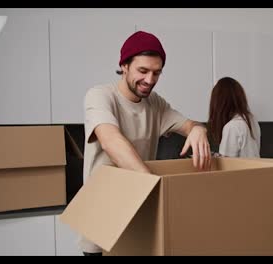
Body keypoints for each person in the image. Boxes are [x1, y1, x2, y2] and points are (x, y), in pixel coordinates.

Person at [80, 30, 211, 256]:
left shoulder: (155, 104)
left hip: (138, 217)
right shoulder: (100, 96)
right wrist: (155, 186)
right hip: (101, 221)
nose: (150, 80)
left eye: (156, 73)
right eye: (143, 70)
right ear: (124, 65)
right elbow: (111, 140)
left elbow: (188, 124)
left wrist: (199, 129)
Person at [207, 77, 261, 158]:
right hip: (257, 169)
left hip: (242, 171)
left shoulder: (232, 127)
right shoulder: (251, 119)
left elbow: (226, 164)